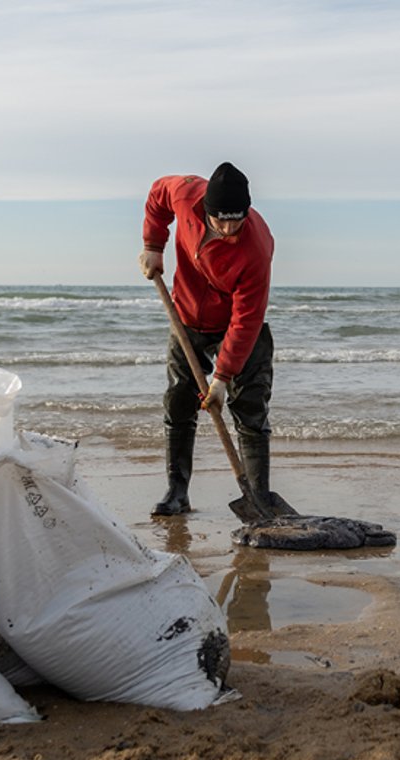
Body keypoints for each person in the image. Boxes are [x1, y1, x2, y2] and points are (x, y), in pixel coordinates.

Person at [138, 162, 278, 517]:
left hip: (238, 324)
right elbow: (158, 194)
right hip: (187, 317)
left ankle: (259, 498)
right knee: (178, 402)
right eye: (222, 221)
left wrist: (222, 378)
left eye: (237, 220)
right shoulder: (186, 194)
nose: (230, 228)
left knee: (249, 407)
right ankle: (177, 492)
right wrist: (153, 244)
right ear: (206, 210)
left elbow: (246, 319)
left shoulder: (256, 247)